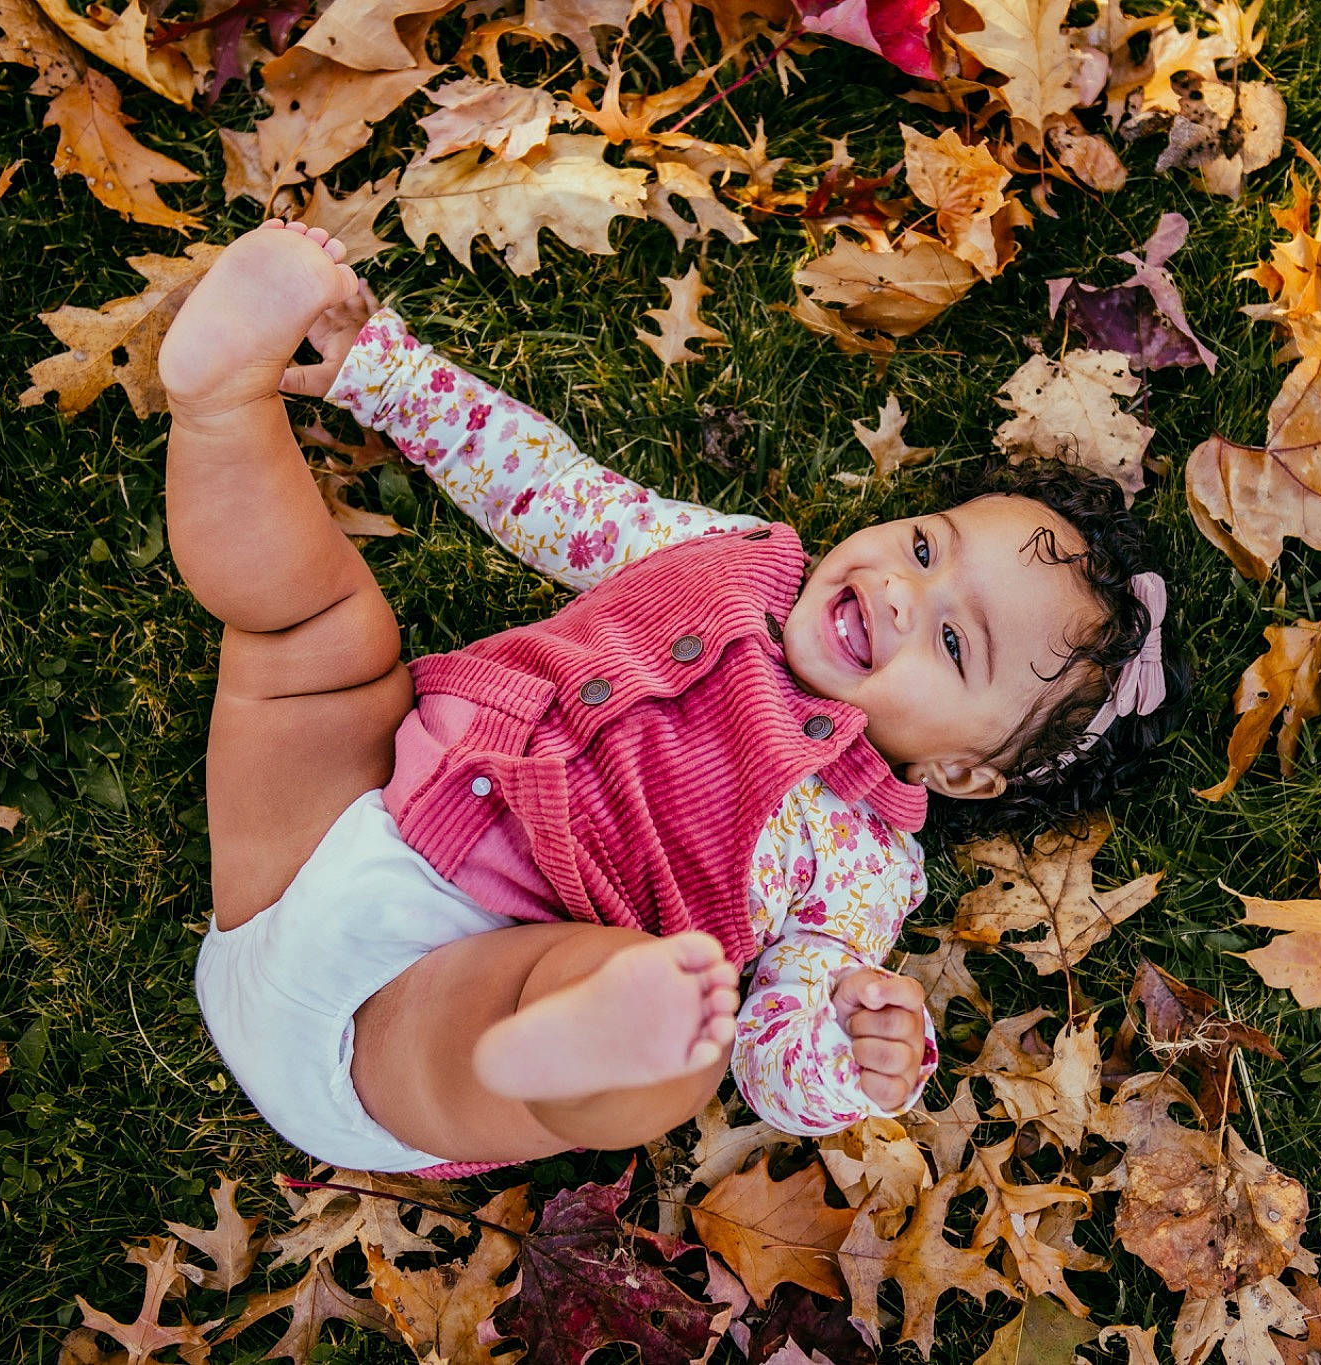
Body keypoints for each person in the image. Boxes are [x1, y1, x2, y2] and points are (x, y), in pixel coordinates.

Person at [160, 221, 1184, 1177]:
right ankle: (220, 409)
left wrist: (843, 1052)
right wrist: (380, 372)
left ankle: (585, 1045)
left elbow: (776, 1042)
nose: (898, 593)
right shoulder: (732, 556)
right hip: (341, 823)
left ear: (962, 769)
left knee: (671, 1025)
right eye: (923, 546)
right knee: (316, 635)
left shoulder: (863, 863)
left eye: (954, 642)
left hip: (426, 1022)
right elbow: (546, 492)